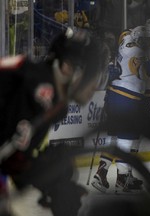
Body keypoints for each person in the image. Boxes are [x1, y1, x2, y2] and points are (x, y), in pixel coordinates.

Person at [0, 27, 110, 216]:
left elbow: (11, 159)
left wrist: (45, 176)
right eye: (93, 74)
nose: (95, 84)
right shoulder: (40, 89)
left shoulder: (53, 99)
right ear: (68, 67)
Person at [90, 25, 150, 193]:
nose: (148, 42)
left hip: (113, 94)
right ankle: (122, 178)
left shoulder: (126, 40)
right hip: (126, 97)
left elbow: (124, 33)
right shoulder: (136, 51)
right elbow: (144, 72)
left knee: (113, 135)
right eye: (145, 39)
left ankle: (101, 173)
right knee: (126, 138)